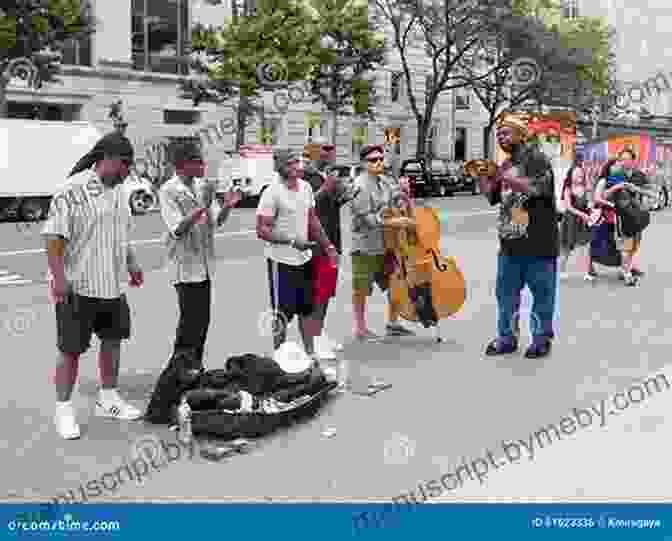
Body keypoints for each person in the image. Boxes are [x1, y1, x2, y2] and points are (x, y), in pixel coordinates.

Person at [43, 132, 144, 439]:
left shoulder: (118, 191)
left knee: (113, 340)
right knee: (70, 350)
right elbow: (53, 237)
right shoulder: (71, 189)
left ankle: (108, 398)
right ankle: (63, 409)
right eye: (124, 164)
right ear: (107, 159)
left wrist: (132, 262)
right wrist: (59, 279)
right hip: (78, 285)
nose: (128, 171)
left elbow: (121, 231)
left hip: (111, 285)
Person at [479, 114, 559, 359]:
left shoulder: (537, 159)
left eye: (506, 133)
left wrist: (504, 177)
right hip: (509, 244)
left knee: (542, 296)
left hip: (539, 243)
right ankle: (506, 338)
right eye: (499, 134)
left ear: (521, 135)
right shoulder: (504, 164)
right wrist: (483, 176)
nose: (501, 137)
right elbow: (491, 197)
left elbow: (537, 189)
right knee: (506, 296)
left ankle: (541, 339)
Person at [158, 140, 242, 369]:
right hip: (184, 265)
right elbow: (177, 228)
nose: (203, 165)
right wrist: (202, 206)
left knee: (202, 321)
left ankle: (196, 366)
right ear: (182, 165)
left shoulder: (202, 186)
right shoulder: (168, 191)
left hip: (204, 266)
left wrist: (227, 206)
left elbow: (215, 222)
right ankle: (179, 369)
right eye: (198, 161)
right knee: (189, 322)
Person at [256, 148, 338, 360]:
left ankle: (310, 355)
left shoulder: (306, 188)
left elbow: (312, 220)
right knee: (280, 314)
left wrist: (328, 246)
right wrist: (292, 241)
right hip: (280, 262)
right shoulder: (272, 192)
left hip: (304, 260)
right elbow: (262, 230)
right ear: (280, 167)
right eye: (291, 163)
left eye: (297, 162)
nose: (296, 166)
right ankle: (279, 357)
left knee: (307, 310)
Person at [350, 144, 416, 340]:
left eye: (380, 159)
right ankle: (360, 328)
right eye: (373, 160)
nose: (379, 162)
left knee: (396, 283)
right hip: (365, 246)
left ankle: (393, 323)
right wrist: (399, 221)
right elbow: (367, 221)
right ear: (363, 163)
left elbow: (398, 202)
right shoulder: (359, 187)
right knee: (361, 288)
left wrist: (405, 193)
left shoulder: (385, 182)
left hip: (388, 243)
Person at [302, 137, 359, 360]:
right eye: (326, 150)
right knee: (317, 294)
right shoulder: (306, 178)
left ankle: (320, 335)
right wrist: (326, 189)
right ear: (316, 153)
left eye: (332, 150)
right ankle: (313, 340)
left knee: (326, 293)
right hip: (317, 244)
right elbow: (307, 206)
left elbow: (332, 203)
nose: (331, 153)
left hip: (333, 241)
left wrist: (346, 195)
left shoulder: (327, 175)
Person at [558, 159, 594, 281]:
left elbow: (590, 202)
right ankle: (561, 271)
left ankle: (587, 273)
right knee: (566, 248)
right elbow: (568, 207)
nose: (579, 176)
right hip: (570, 221)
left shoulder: (586, 189)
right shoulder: (568, 189)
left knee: (586, 247)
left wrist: (590, 206)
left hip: (583, 222)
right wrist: (582, 214)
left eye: (581, 174)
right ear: (571, 175)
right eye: (576, 174)